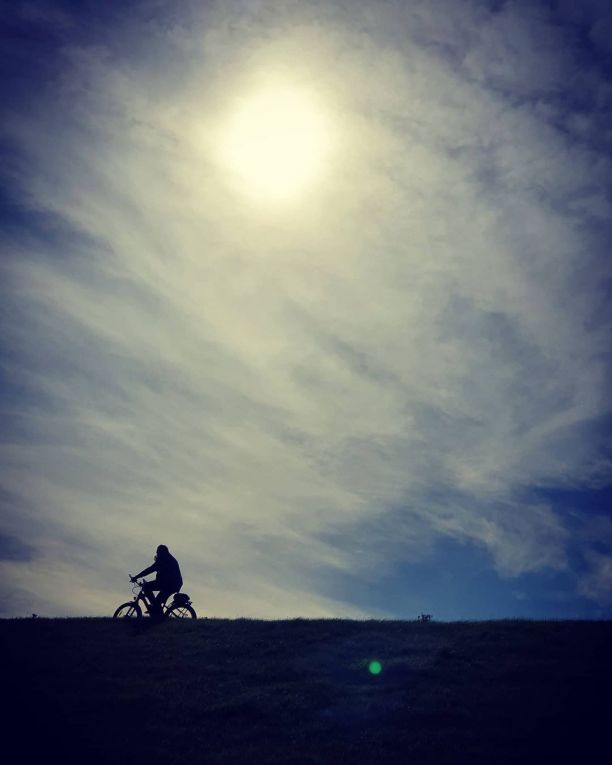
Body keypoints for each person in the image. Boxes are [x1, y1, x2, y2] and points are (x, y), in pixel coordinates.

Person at [131, 545, 183, 618]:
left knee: (147, 587)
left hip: (170, 584)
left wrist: (136, 577)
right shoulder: (167, 558)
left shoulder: (164, 560)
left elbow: (149, 570)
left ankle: (156, 611)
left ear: (162, 552)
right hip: (170, 583)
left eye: (158, 552)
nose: (157, 554)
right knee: (157, 602)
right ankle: (157, 613)